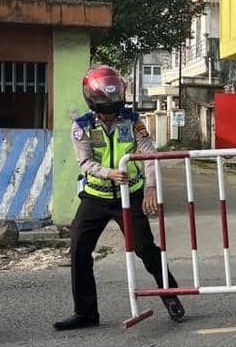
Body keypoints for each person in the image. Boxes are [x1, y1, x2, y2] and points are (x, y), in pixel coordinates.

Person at [55, 65, 185, 331]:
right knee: (79, 250)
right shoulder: (81, 126)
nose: (110, 111)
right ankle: (86, 313)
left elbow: (148, 155)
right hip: (95, 197)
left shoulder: (133, 122)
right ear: (92, 100)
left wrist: (151, 188)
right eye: (104, 105)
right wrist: (109, 173)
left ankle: (170, 295)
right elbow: (85, 162)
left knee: (145, 248)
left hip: (130, 196)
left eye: (113, 105)